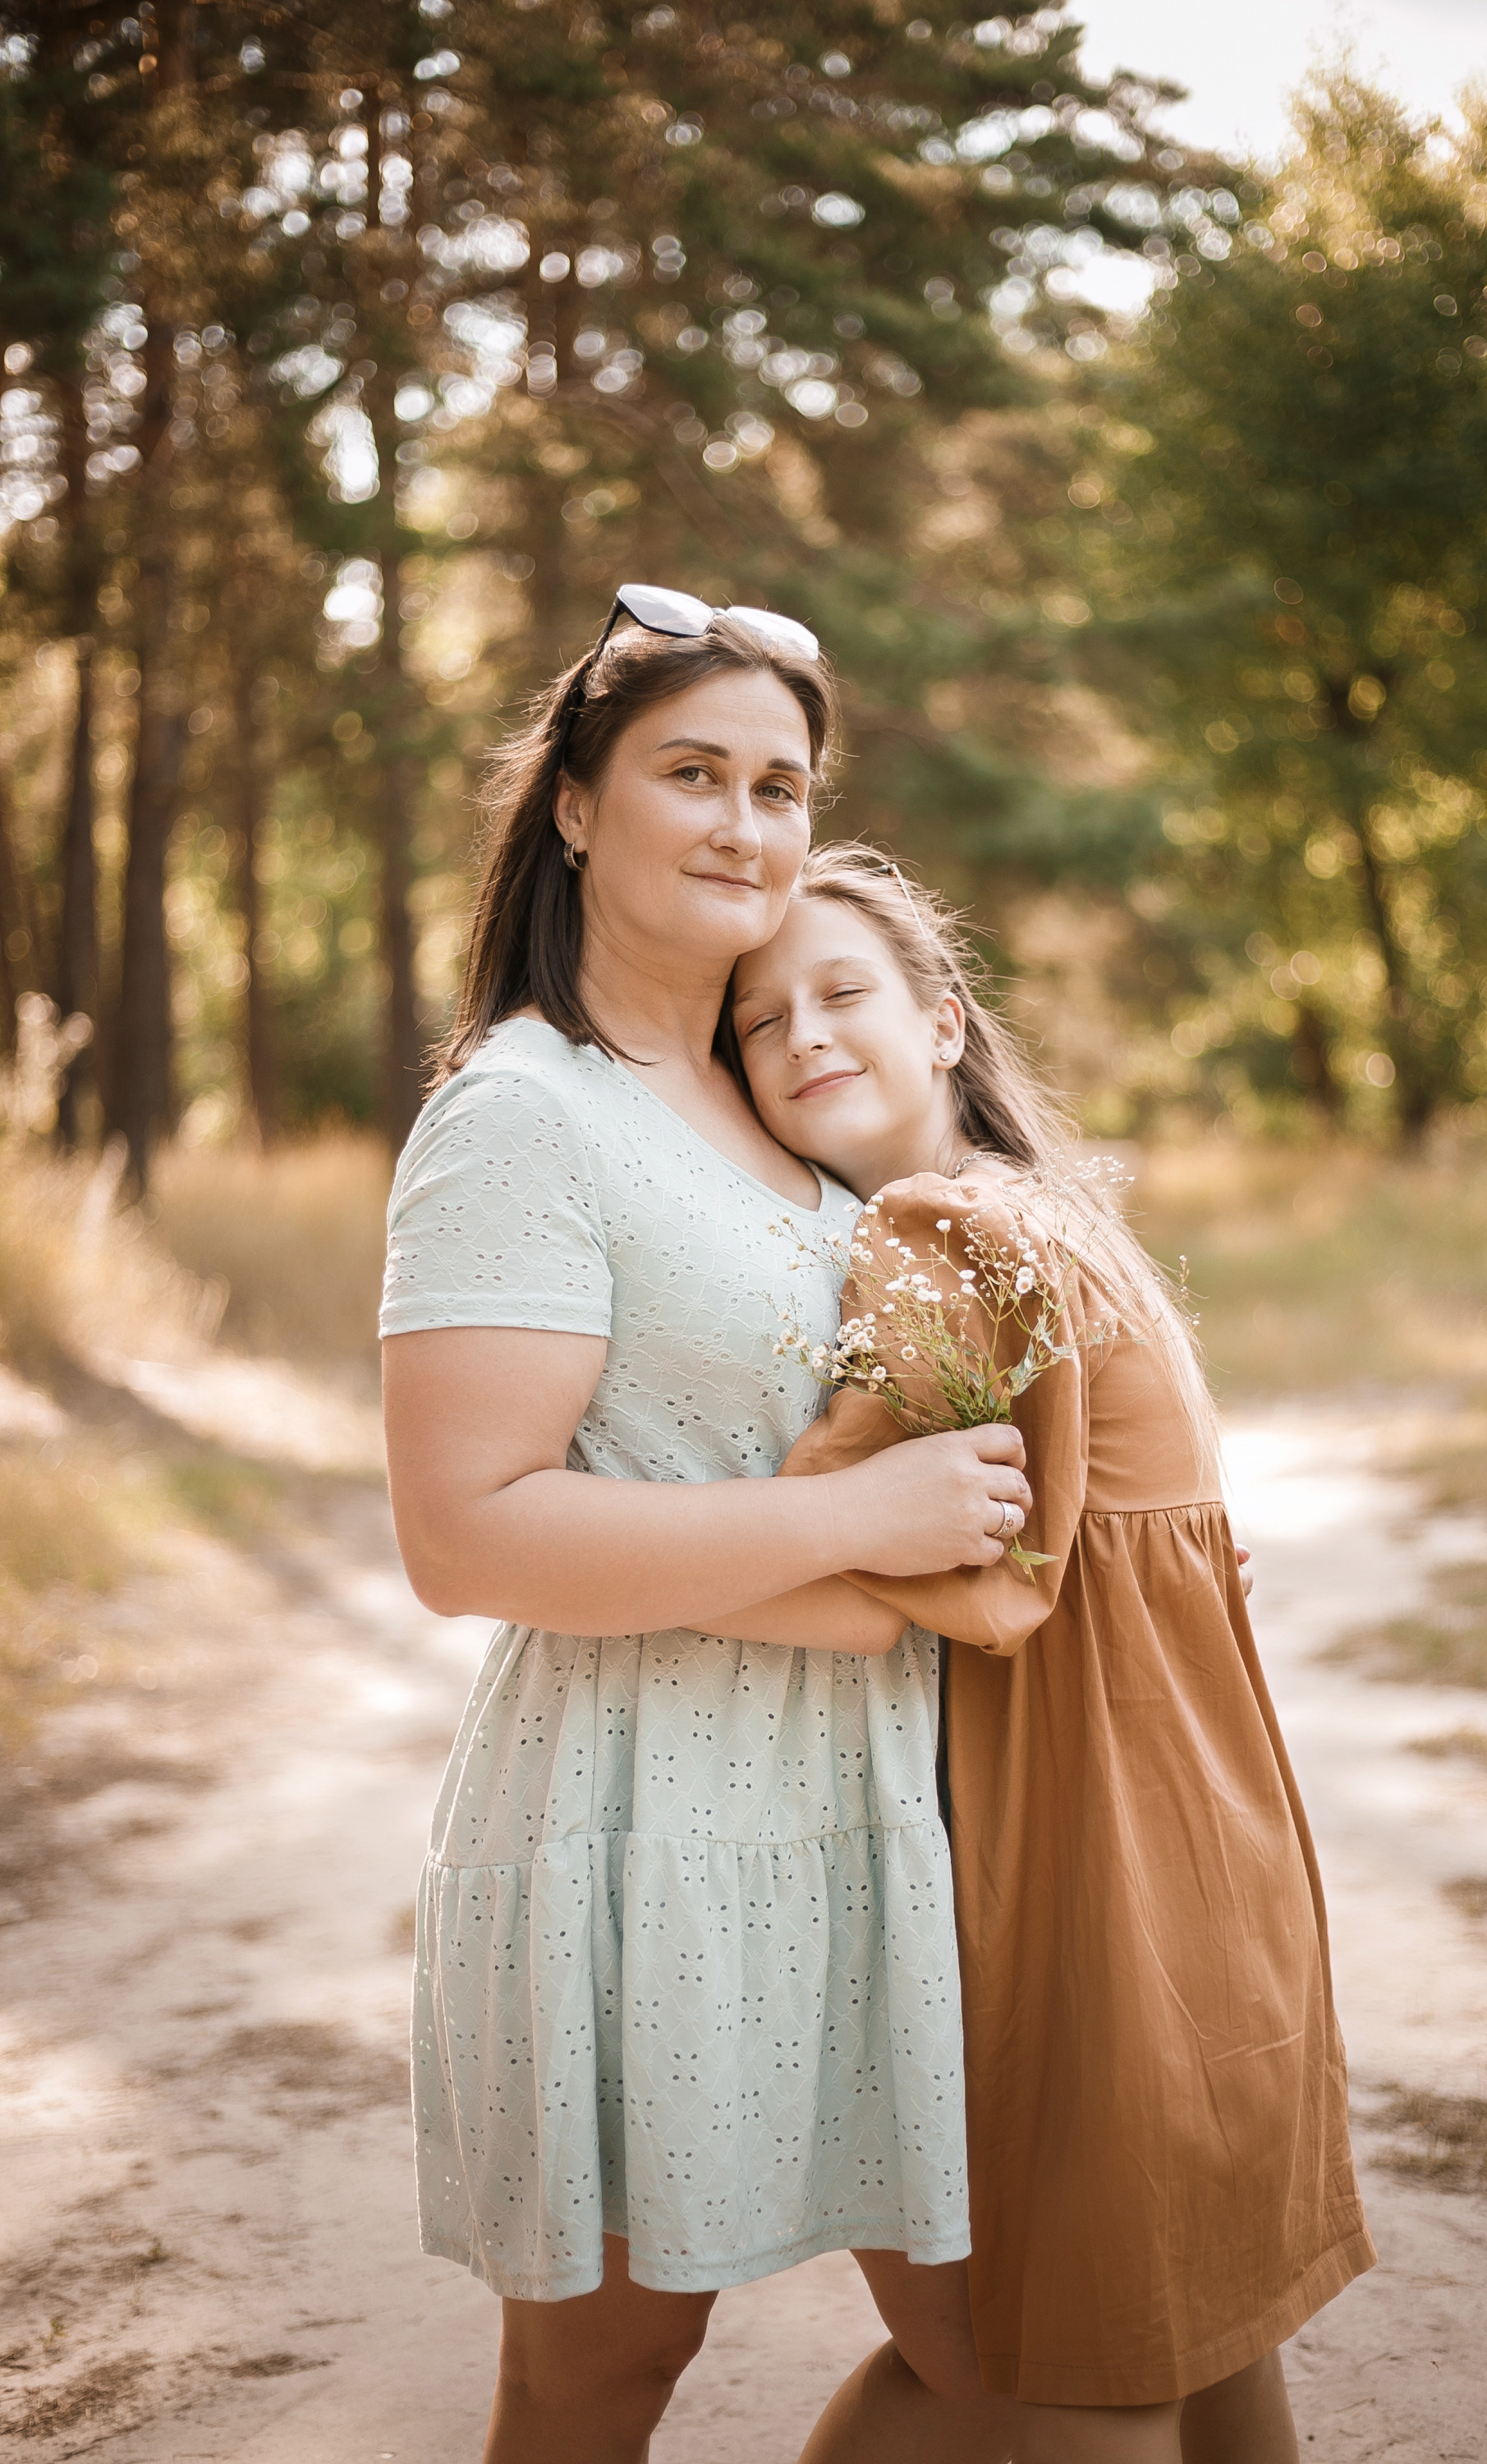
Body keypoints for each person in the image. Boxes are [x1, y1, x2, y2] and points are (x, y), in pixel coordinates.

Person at [378, 596, 1035, 2464]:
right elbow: (467, 1535)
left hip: (863, 1811)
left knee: (1007, 2353)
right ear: (575, 804)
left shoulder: (765, 1102)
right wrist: (849, 1554)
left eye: (780, 785)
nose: (749, 823)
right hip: (636, 1821)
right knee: (599, 2382)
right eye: (693, 774)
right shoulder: (520, 1110)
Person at [729, 841, 1376, 2464]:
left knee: (1066, 2359)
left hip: (1088, 1868)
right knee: (1190, 2334)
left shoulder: (935, 1238)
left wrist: (643, 1561)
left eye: (841, 991)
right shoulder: (1056, 1213)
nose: (801, 1031)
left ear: (943, 1024)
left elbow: (942, 1565)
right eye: (756, 1019)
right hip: (1210, 1849)